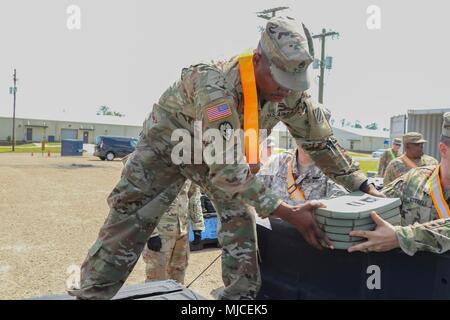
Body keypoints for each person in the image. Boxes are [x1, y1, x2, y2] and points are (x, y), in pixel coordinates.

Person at [70, 16, 382, 300]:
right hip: (167, 148)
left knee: (241, 220)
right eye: (280, 80)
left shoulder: (289, 92)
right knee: (130, 220)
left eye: (293, 84)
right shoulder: (214, 83)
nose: (285, 91)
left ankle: (239, 300)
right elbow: (228, 170)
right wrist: (289, 213)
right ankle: (92, 294)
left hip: (219, 157)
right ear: (258, 60)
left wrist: (362, 184)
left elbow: (319, 142)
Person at [348, 113, 450, 255]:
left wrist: (401, 237)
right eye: (417, 145)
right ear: (444, 149)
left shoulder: (427, 162)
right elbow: (376, 204)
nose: (421, 148)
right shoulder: (414, 179)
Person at [142, 180, 204, 285]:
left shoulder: (188, 167)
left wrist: (197, 225)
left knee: (178, 275)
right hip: (161, 233)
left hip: (182, 232)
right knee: (157, 277)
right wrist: (152, 233)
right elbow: (143, 198)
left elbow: (194, 195)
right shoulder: (155, 165)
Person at [257, 146, 348, 204]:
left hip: (308, 232)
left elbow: (341, 205)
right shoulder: (279, 161)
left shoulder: (332, 169)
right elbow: (254, 191)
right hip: (274, 229)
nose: (307, 138)